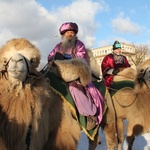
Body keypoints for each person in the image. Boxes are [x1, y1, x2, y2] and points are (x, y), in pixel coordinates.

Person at [48, 22, 104, 130]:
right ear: (63, 34)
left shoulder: (79, 44)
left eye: (72, 32)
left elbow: (81, 58)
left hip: (76, 73)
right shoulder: (58, 46)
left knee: (74, 89)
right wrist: (54, 57)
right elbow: (50, 56)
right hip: (59, 72)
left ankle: (90, 115)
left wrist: (66, 57)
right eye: (67, 32)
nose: (70, 34)